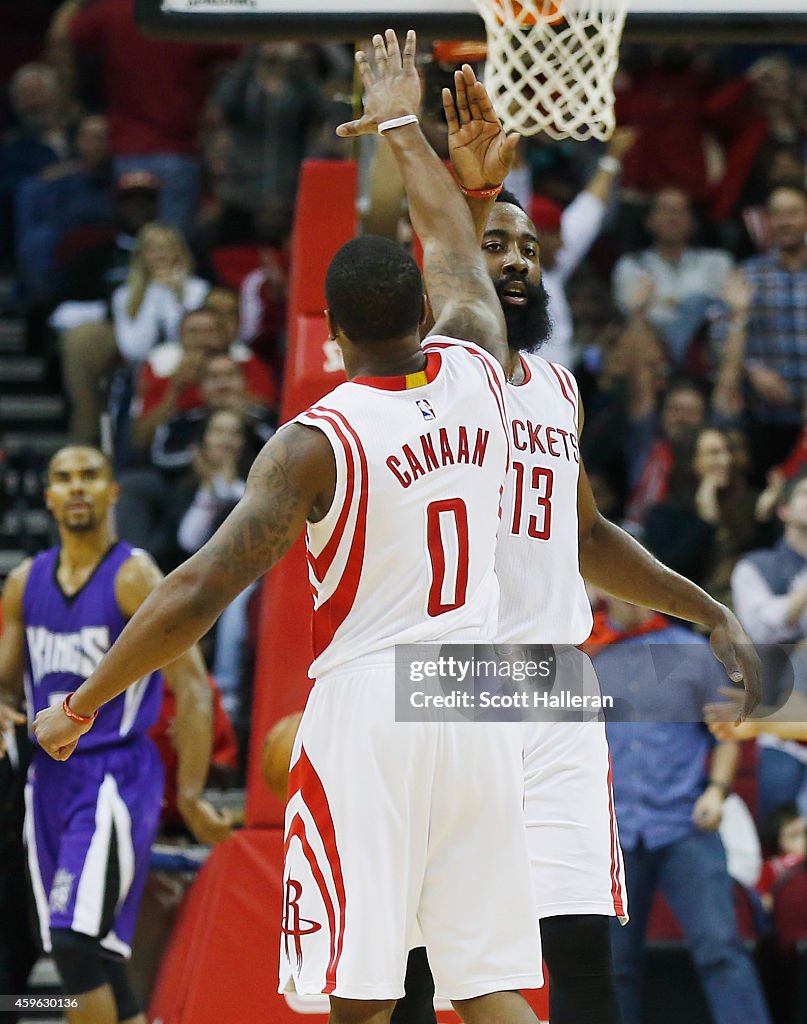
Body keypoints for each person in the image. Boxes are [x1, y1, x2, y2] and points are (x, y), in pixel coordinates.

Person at [32, 31, 544, 1024]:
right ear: (429, 310)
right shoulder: (483, 360)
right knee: (486, 985)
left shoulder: (313, 442)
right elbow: (452, 248)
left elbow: (192, 591)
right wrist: (408, 128)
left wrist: (86, 699)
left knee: (357, 993)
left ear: (330, 328)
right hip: (478, 699)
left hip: (378, 707)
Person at [387, 64, 760, 1024]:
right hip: (447, 682)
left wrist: (706, 608)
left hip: (552, 681)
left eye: (528, 248)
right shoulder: (418, 380)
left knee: (580, 946)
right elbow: (435, 251)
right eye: (494, 245)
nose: (516, 260)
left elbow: (586, 533)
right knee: (430, 957)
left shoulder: (556, 390)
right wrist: (447, 181)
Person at [0, 445, 231, 1024]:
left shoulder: (134, 576)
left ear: (112, 492)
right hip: (45, 781)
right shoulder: (23, 583)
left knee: (75, 947)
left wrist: (192, 795)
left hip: (113, 776)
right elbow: (5, 683)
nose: (77, 487)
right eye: (64, 478)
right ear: (49, 496)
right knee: (85, 953)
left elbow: (196, 689)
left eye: (90, 476)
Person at [589, 594, 772, 1024]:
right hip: (612, 829)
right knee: (614, 966)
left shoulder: (690, 652)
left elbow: (727, 729)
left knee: (721, 950)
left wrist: (717, 789)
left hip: (685, 821)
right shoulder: (586, 655)